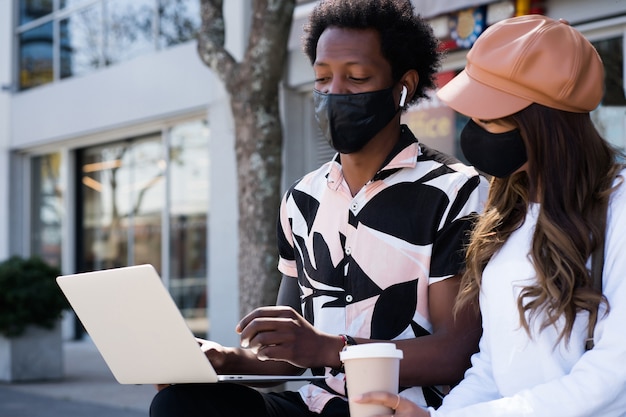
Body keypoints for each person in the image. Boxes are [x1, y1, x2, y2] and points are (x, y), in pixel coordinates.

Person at [150, 1, 488, 416]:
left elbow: (454, 352)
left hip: (401, 409)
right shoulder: (302, 199)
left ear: (403, 85)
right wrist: (223, 358)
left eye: (357, 77)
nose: (334, 93)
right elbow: (291, 352)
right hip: (315, 406)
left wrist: (329, 349)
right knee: (178, 405)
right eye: (322, 79)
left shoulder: (455, 190)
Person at [354, 14, 626, 417]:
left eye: (487, 118)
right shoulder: (507, 209)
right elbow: (493, 365)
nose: (473, 132)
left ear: (543, 124)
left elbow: (613, 376)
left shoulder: (617, 206)